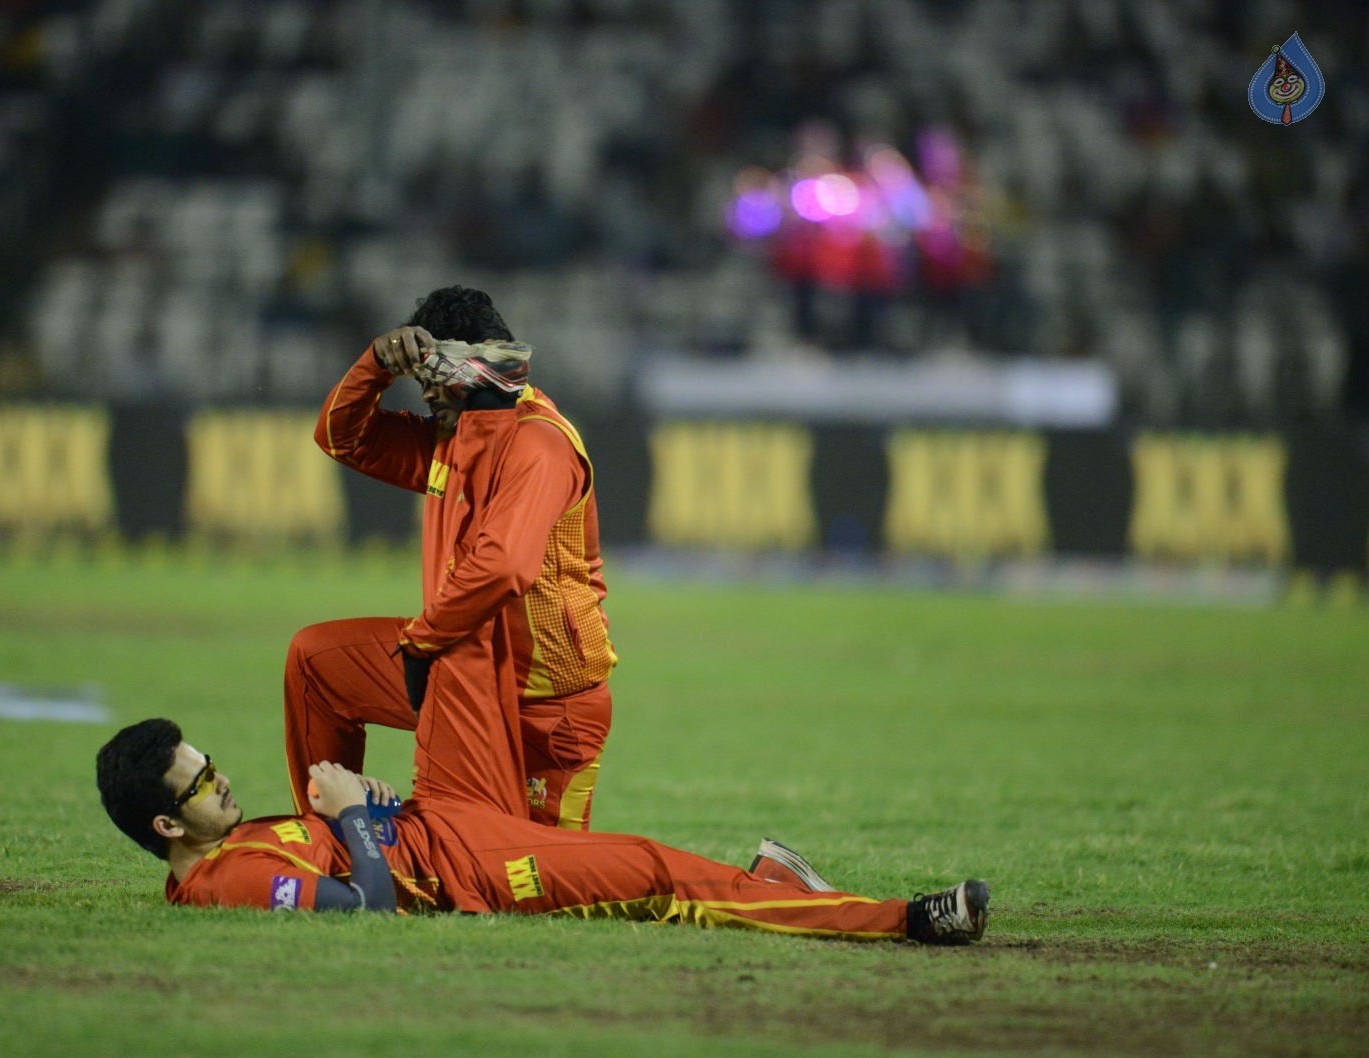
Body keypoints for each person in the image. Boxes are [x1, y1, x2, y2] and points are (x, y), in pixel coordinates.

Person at [94, 717, 990, 944]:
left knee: (656, 869)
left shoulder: (235, 839)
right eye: (203, 782)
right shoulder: (226, 881)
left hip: (450, 830)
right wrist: (359, 815)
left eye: (212, 764)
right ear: (168, 822)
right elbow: (365, 910)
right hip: (469, 872)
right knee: (656, 878)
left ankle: (771, 879)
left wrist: (366, 803)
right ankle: (904, 920)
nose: (226, 781)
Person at [291, 286, 615, 830]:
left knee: (538, 884)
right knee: (318, 662)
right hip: (460, 668)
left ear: (466, 366)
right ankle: (328, 837)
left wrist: (422, 642)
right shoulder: (452, 436)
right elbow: (342, 438)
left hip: (542, 702)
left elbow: (505, 564)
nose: (424, 397)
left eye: (431, 380)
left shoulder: (541, 444)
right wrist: (375, 365)